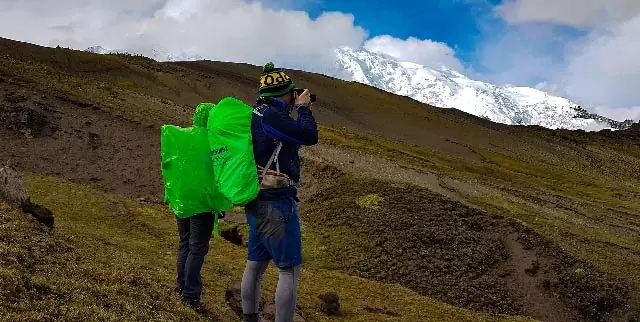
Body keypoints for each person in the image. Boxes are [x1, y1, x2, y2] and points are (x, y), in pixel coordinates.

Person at [240, 62, 318, 322]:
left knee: (256, 265)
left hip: (257, 198)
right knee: (289, 270)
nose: (294, 97)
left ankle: (249, 317)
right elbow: (308, 135)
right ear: (283, 94)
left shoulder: (256, 112)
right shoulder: (273, 116)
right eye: (291, 93)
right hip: (275, 201)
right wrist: (305, 109)